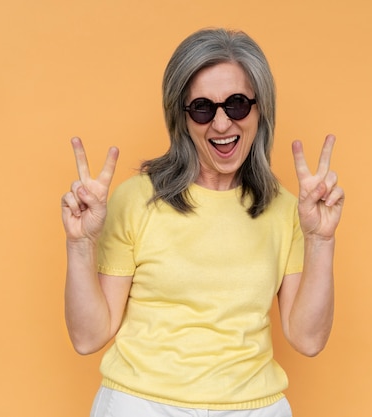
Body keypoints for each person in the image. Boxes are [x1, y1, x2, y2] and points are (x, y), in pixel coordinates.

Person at [61, 28, 344, 417]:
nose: (222, 124)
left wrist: (321, 239)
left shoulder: (288, 212)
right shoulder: (134, 199)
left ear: (261, 110)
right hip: (140, 404)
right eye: (203, 108)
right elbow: (88, 336)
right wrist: (80, 244)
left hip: (253, 407)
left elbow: (308, 339)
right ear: (182, 117)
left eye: (238, 104)